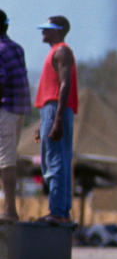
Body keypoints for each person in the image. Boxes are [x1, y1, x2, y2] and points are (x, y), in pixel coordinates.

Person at [33, 16, 77, 225]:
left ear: (58, 31)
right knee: (59, 159)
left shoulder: (62, 51)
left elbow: (64, 84)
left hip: (56, 108)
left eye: (48, 29)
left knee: (55, 161)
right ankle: (62, 210)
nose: (44, 32)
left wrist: (56, 118)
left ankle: (57, 211)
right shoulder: (56, 51)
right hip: (51, 110)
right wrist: (43, 123)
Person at [0, 11, 31, 222]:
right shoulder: (16, 47)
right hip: (17, 109)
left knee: (6, 160)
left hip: (5, 110)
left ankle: (10, 210)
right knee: (7, 158)